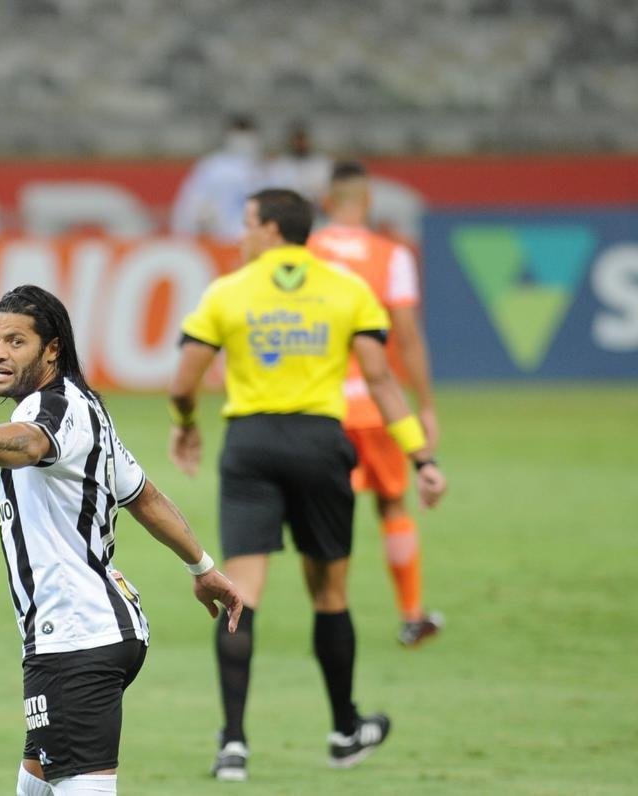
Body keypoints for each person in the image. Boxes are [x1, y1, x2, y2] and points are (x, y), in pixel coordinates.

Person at [0, 284, 243, 796]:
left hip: (75, 637)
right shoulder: (87, 410)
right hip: (98, 630)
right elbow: (144, 497)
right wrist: (203, 568)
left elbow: (31, 444)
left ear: (52, 349)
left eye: (16, 341)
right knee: (36, 781)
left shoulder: (54, 410)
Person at [167, 189, 447, 781]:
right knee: (330, 595)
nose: (242, 234)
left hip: (250, 446)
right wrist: (421, 457)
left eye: (248, 223)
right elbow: (381, 382)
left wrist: (185, 425)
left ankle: (233, 745)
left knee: (241, 592)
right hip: (321, 445)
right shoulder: (348, 290)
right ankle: (345, 731)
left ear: (272, 229)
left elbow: (184, 382)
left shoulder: (227, 291)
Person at [308, 160, 444, 646]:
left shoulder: (304, 251)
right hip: (376, 405)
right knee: (392, 505)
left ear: (326, 202)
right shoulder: (391, 255)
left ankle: (331, 612)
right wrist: (424, 406)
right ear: (367, 202)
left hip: (322, 407)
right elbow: (407, 337)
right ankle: (412, 614)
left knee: (327, 514)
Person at [169, 114, 269, 241]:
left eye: (246, 133)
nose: (243, 140)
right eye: (239, 133)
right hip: (220, 239)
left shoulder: (268, 169)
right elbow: (190, 205)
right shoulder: (212, 167)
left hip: (258, 241)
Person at [266, 120, 333, 207]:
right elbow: (277, 189)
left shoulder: (322, 163)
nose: (300, 144)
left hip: (316, 207)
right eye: (296, 140)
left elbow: (325, 190)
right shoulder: (281, 164)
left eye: (302, 140)